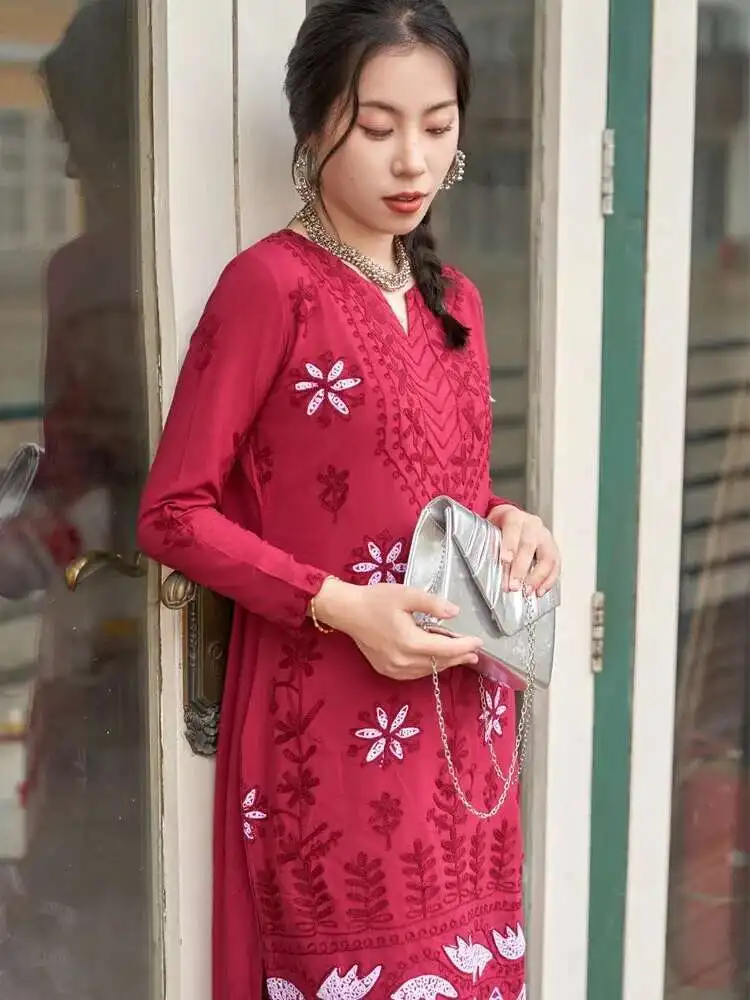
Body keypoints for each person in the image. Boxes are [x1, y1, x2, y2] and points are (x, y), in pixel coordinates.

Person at [137, 2, 561, 998]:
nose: (413, 160)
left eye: (438, 126)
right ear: (313, 124)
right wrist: (339, 604)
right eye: (377, 127)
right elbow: (172, 514)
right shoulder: (267, 287)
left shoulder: (457, 301)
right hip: (329, 730)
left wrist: (512, 521)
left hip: (463, 732)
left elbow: (439, 488)